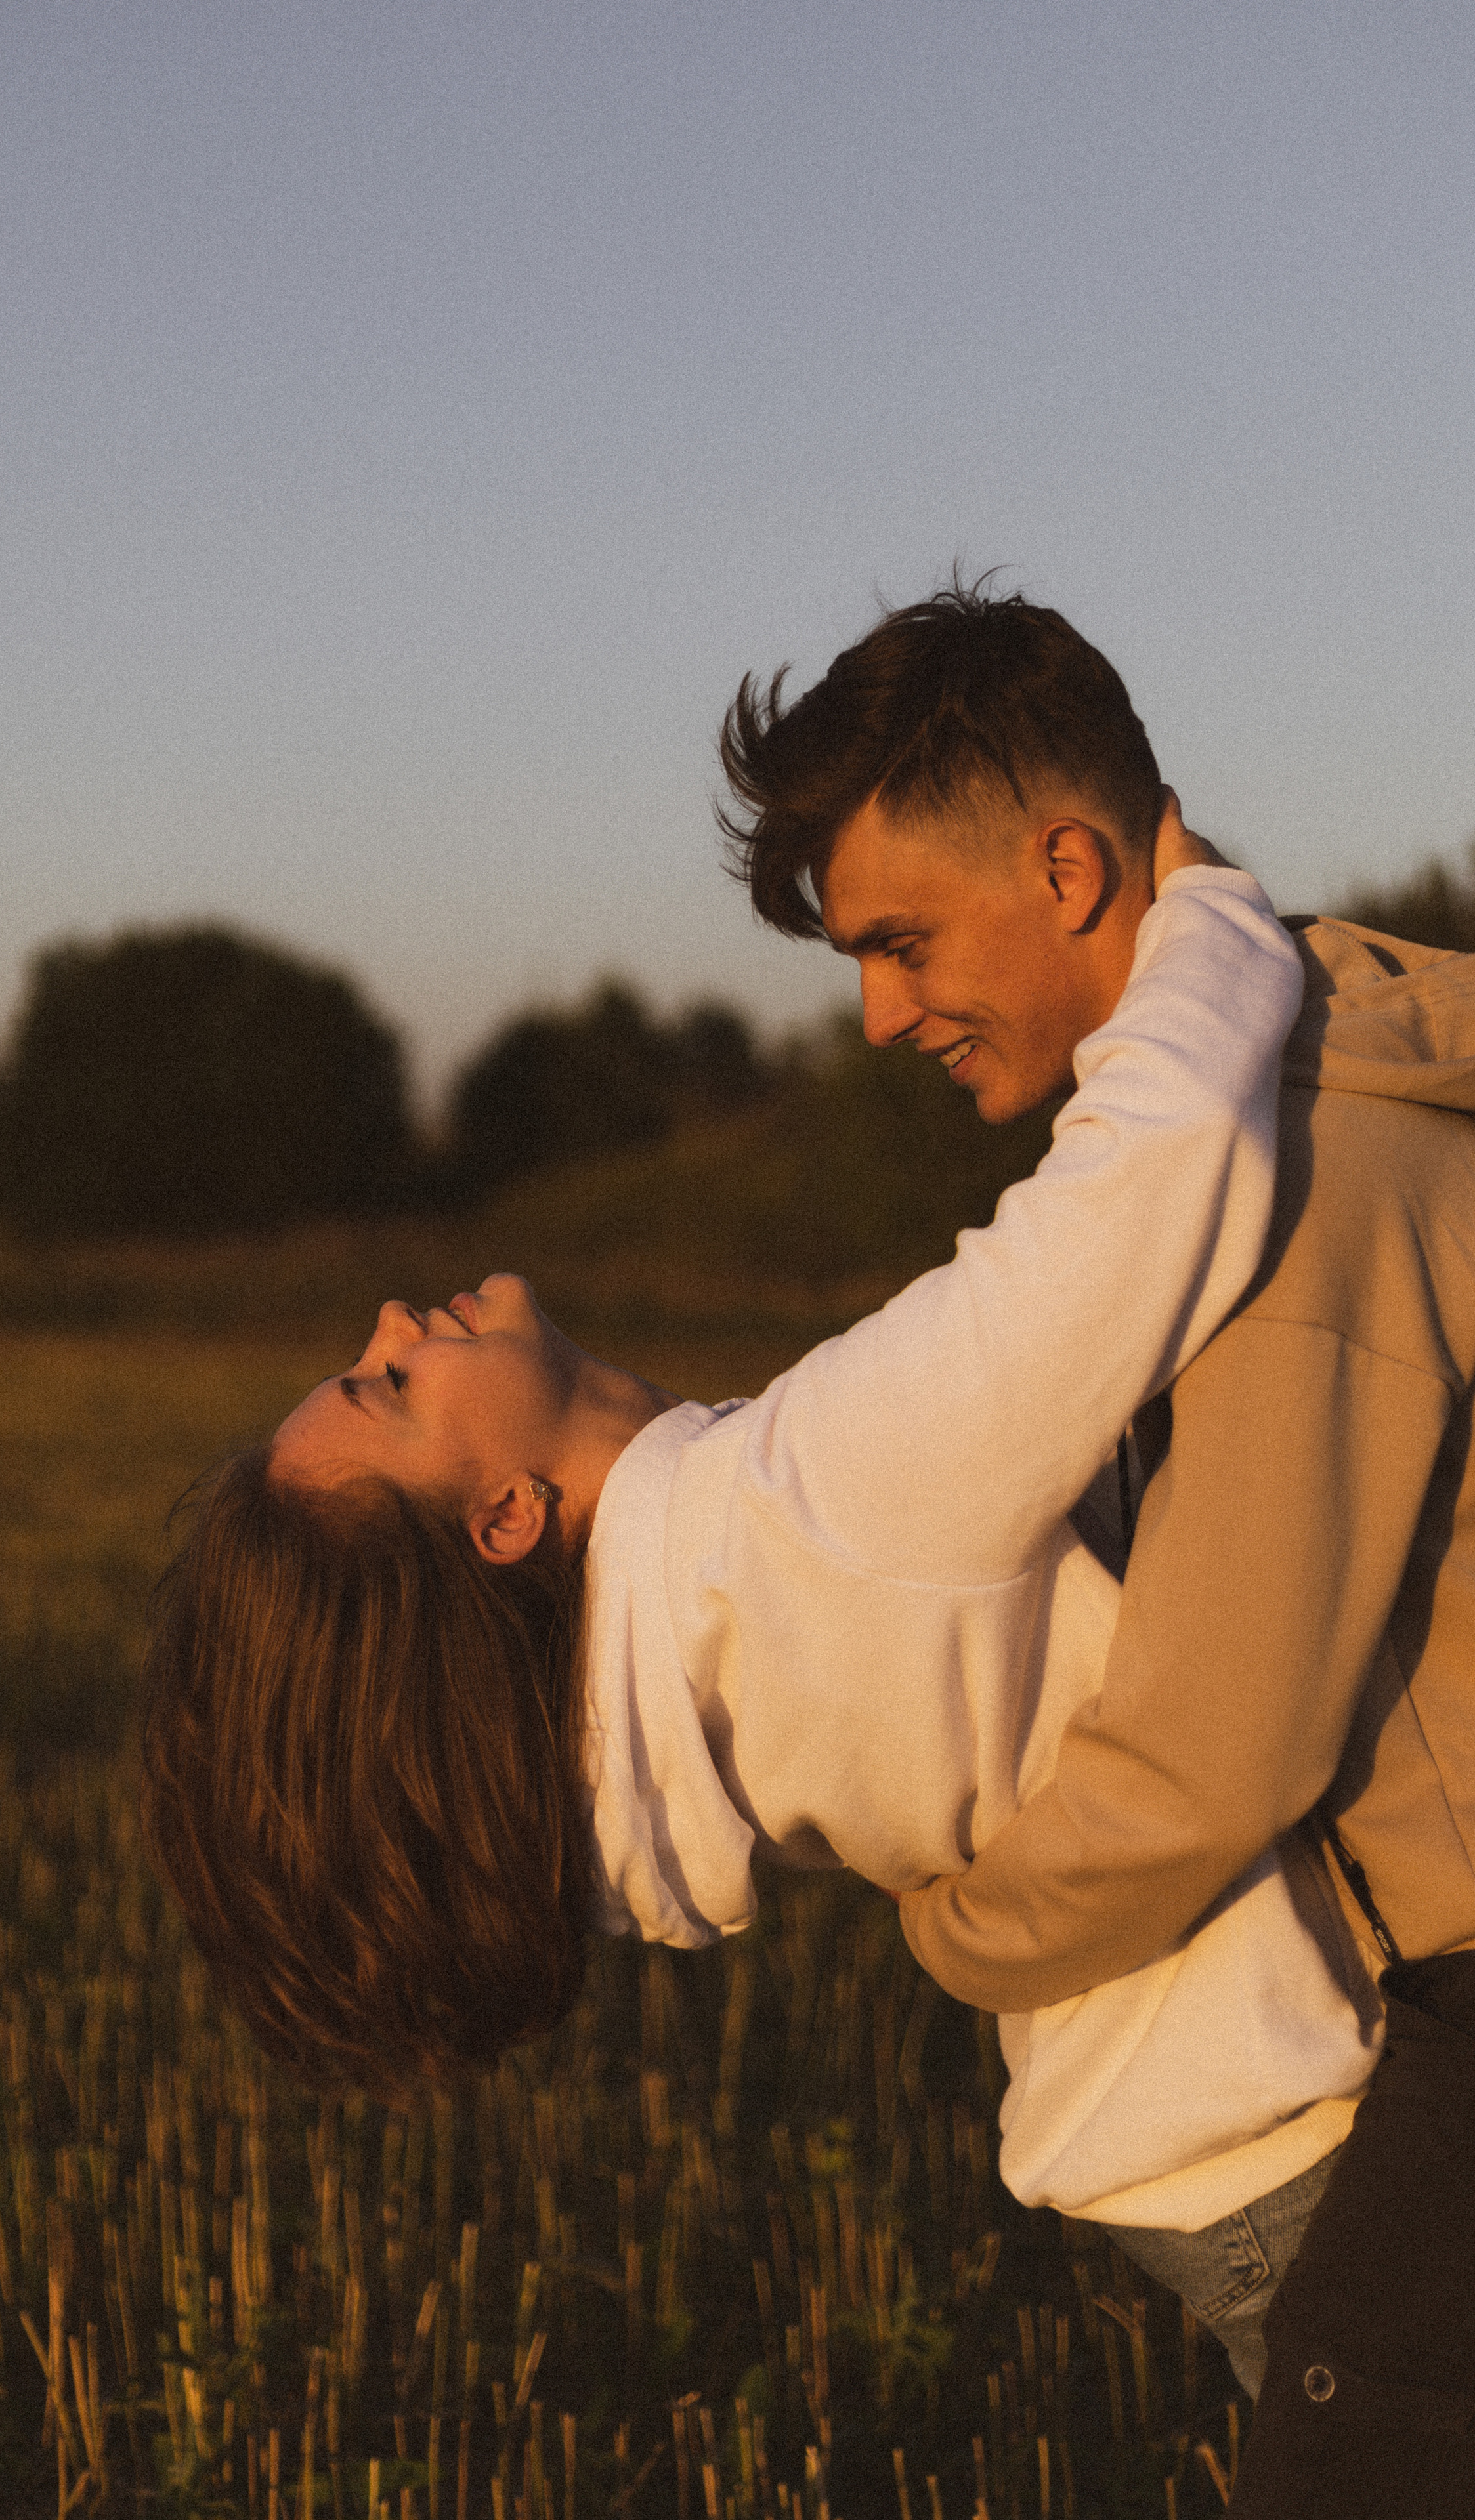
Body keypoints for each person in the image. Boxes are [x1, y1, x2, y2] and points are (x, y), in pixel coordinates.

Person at [142, 788, 1377, 2404]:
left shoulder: (688, 1667)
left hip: (1209, 2159)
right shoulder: (792, 1521)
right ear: (506, 1520)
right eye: (383, 1389)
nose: (390, 1320)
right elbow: (1160, 1171)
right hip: (1314, 2145)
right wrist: (1196, 905)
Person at [721, 582, 1475, 2515]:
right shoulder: (1304, 1110)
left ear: (1069, 868)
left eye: (899, 943)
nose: (881, 1012)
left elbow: (1220, 1749)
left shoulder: (1312, 1184)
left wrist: (961, 1933)